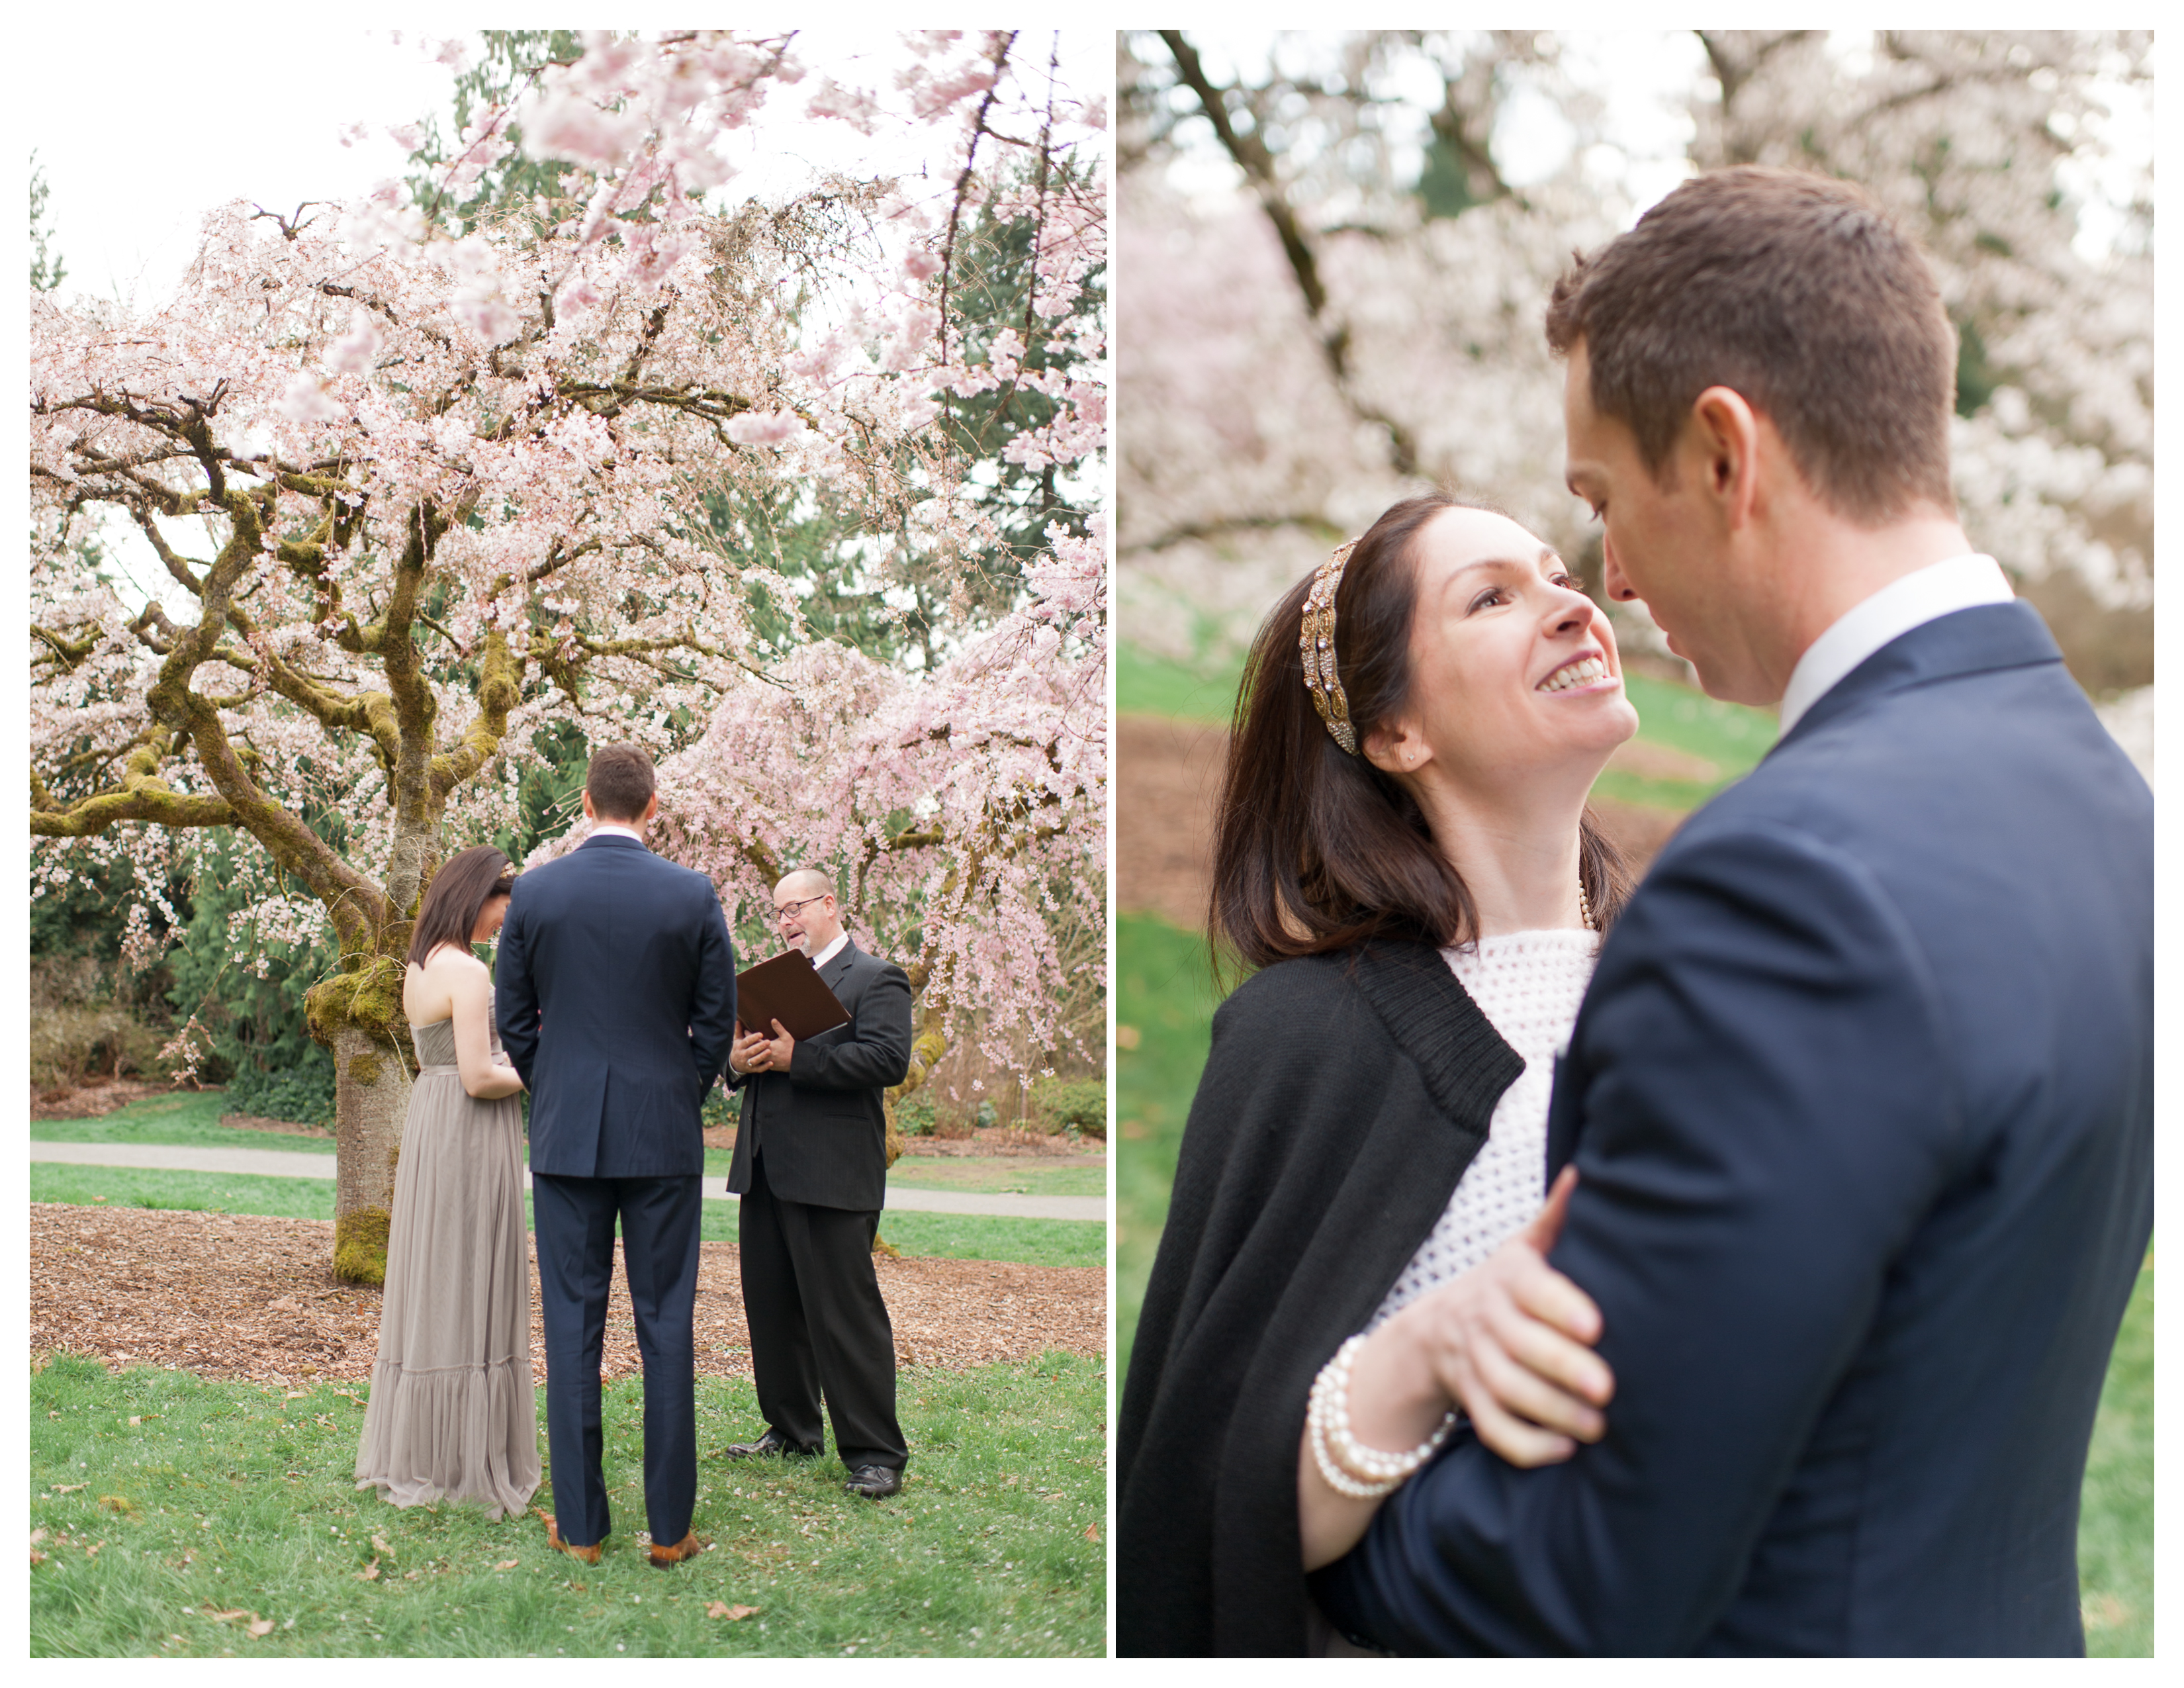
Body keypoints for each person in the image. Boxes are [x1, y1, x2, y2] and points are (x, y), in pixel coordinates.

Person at [1311, 167, 2152, 1656]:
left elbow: (1582, 1579)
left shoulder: (1782, 887)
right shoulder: (2104, 799)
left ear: (1721, 454)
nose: (1613, 583)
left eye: (1601, 504)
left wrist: (1309, 1512)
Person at [1116, 491, 1641, 1656]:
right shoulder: (1304, 1039)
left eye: (1561, 575)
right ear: (1398, 731)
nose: (1571, 607)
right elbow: (1200, 1515)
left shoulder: (1702, 990)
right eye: (1493, 597)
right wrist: (1430, 1353)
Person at [494, 742, 739, 1568]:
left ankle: (583, 1531)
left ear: (587, 804)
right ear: (654, 806)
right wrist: (680, 1088)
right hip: (663, 1135)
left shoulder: (535, 891)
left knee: (572, 1328)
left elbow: (514, 1013)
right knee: (667, 1327)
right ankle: (670, 1532)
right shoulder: (692, 893)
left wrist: (554, 1083)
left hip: (566, 1135)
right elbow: (716, 1021)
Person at [355, 844, 539, 1522]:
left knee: (439, 1278)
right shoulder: (469, 971)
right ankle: (465, 1456)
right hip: (468, 1126)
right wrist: (546, 1064)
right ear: (476, 898)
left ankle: (428, 1448)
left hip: (434, 1122)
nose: (504, 919)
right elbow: (481, 1076)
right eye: (501, 904)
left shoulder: (421, 964)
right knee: (470, 1273)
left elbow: (453, 1062)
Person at [721, 868, 914, 1499]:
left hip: (833, 1175)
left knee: (845, 1316)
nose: (785, 921)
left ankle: (876, 1453)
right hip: (765, 1169)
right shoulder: (773, 985)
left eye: (795, 908)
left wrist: (797, 1059)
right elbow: (749, 1058)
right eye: (778, 913)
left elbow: (887, 1061)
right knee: (771, 1308)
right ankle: (791, 1428)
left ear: (830, 904)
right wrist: (739, 1060)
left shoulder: (874, 978)